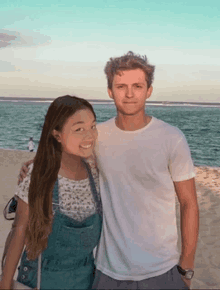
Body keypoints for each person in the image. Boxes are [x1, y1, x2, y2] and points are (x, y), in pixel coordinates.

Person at [18, 52, 199, 289]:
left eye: (137, 86)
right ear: (110, 91)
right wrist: (36, 163)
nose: (130, 93)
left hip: (162, 270)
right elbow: (65, 152)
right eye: (121, 86)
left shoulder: (172, 138)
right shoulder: (97, 136)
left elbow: (189, 204)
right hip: (107, 272)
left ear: (149, 90)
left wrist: (185, 268)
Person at [0, 95, 102, 290]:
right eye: (78, 129)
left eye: (93, 126)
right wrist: (5, 284)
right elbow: (19, 230)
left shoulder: (96, 171)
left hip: (87, 279)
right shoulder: (38, 175)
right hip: (41, 280)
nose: (89, 136)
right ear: (57, 135)